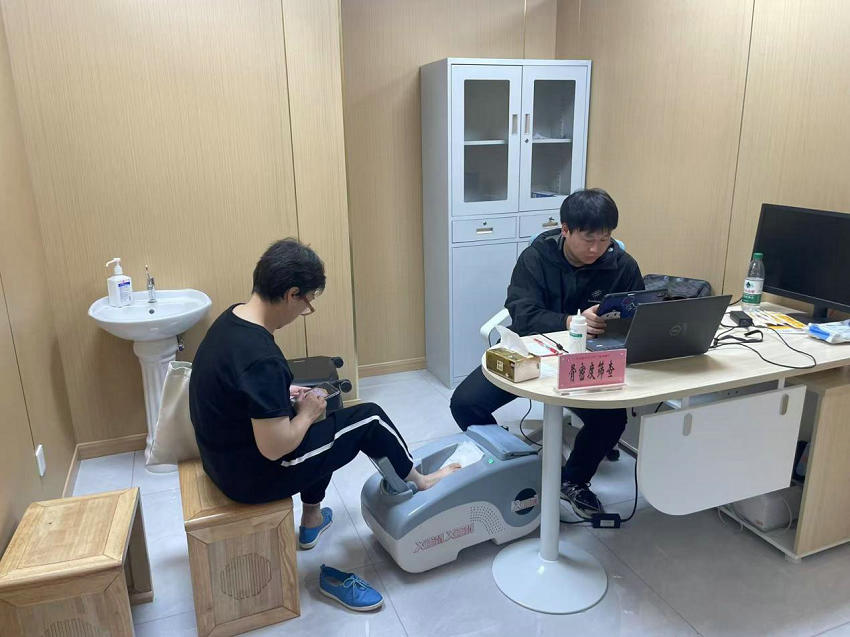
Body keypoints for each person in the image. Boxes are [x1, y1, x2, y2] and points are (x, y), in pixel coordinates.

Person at [189, 238, 458, 610]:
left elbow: (241, 390)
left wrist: (286, 395)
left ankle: (312, 516)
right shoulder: (259, 356)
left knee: (328, 419)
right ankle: (421, 480)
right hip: (252, 477)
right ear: (291, 294)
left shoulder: (232, 319)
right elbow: (275, 446)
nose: (306, 309)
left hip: (221, 458)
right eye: (307, 302)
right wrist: (306, 413)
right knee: (367, 418)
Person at [449, 188, 644, 520]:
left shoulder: (622, 265)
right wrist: (570, 322)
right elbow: (522, 313)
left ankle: (573, 480)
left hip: (588, 360)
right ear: (565, 230)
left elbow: (636, 312)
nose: (596, 249)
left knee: (612, 419)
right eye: (588, 239)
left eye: (605, 239)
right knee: (465, 403)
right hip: (531, 353)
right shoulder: (536, 258)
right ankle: (508, 461)